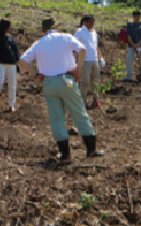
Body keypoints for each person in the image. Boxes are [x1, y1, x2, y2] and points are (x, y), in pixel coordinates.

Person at [18, 18, 105, 161]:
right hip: (67, 81)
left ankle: (64, 153)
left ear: (43, 30)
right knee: (79, 112)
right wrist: (78, 69)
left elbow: (22, 60)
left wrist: (36, 75)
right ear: (56, 27)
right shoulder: (65, 37)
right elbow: (82, 49)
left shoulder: (38, 44)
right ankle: (91, 149)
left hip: (49, 83)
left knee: (56, 118)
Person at [0, 19, 21, 113]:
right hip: (0, 63)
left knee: (12, 84)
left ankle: (11, 105)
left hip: (12, 64)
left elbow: (15, 50)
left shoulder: (10, 38)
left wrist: (19, 61)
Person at [73, 14, 104, 108]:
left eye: (93, 22)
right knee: (85, 81)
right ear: (84, 22)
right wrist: (75, 59)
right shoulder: (80, 32)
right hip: (85, 60)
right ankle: (83, 100)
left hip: (94, 60)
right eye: (90, 22)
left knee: (96, 81)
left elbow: (95, 46)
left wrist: (100, 58)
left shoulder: (94, 33)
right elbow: (74, 45)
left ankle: (96, 99)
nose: (92, 24)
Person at [124, 10, 141, 82]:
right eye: (135, 16)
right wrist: (133, 44)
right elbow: (129, 35)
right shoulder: (130, 24)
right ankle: (128, 76)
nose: (137, 18)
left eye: (138, 16)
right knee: (129, 59)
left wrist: (139, 43)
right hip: (132, 44)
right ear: (133, 16)